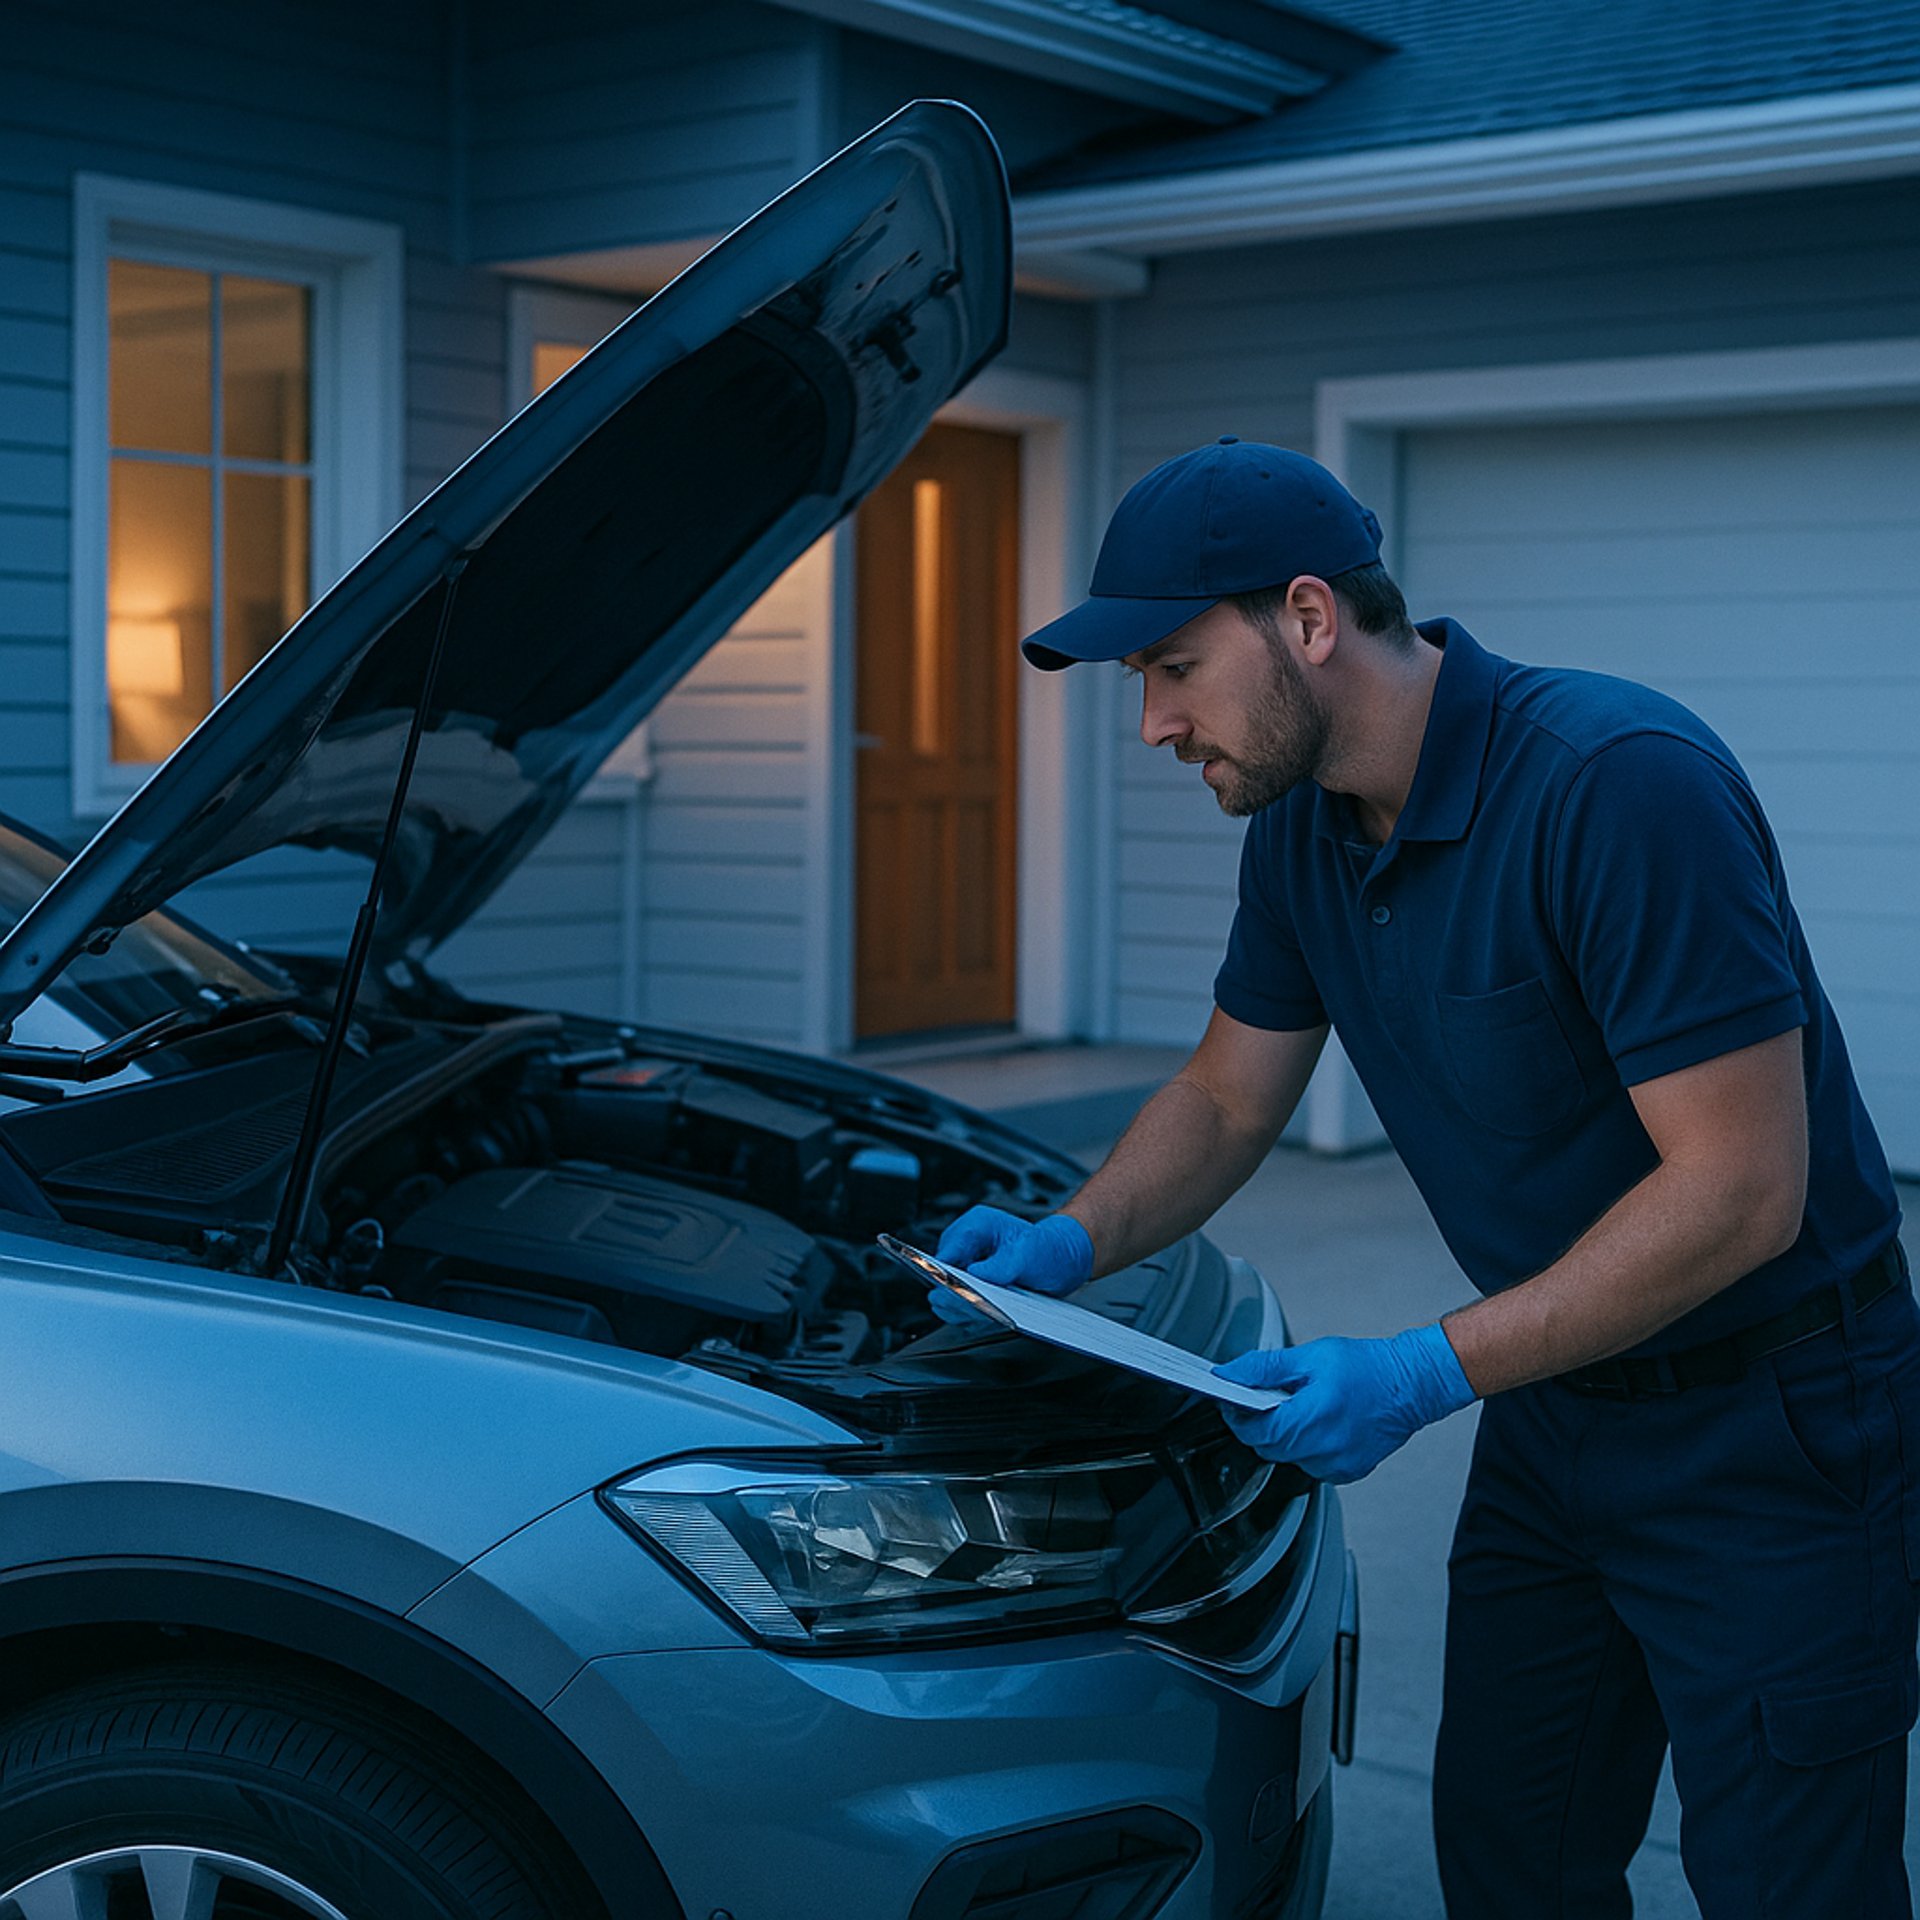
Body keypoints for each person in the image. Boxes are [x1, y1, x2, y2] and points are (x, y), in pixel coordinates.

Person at [934, 437, 1918, 1918]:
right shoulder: (1303, 832)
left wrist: (1418, 1372)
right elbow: (1223, 1092)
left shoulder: (1616, 787)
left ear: (1311, 620)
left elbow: (1739, 1190)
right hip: (1556, 1413)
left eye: (1175, 667)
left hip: (1773, 1430)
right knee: (1513, 1856)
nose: (1153, 725)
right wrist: (1071, 1244)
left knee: (1793, 1886)